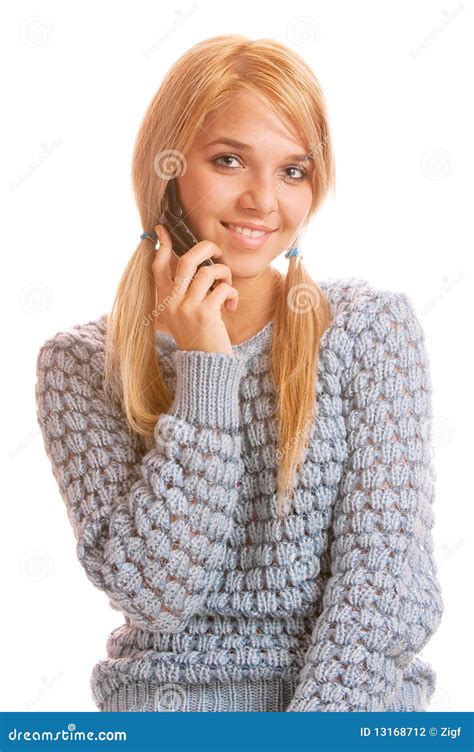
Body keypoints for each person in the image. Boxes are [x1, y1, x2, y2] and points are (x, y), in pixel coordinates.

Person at [35, 34, 443, 712]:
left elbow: (385, 587)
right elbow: (157, 593)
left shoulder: (370, 331)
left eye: (293, 171)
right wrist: (206, 375)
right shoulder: (78, 367)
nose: (263, 200)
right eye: (229, 161)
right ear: (168, 170)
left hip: (346, 715)